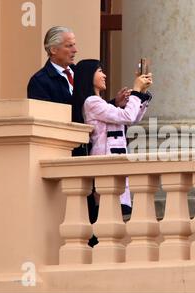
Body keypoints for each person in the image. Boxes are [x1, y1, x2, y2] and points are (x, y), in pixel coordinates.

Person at [71, 59, 152, 231]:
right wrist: (136, 90)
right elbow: (128, 116)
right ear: (88, 76)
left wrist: (142, 93)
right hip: (105, 163)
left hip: (114, 161)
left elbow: (133, 118)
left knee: (113, 218)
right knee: (106, 218)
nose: (104, 75)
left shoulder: (99, 103)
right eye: (100, 71)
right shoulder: (91, 102)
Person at [27, 26, 130, 156]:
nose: (75, 50)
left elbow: (88, 110)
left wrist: (115, 103)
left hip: (91, 148)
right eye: (69, 46)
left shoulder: (80, 72)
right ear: (53, 49)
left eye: (74, 45)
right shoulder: (40, 81)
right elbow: (46, 121)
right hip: (63, 150)